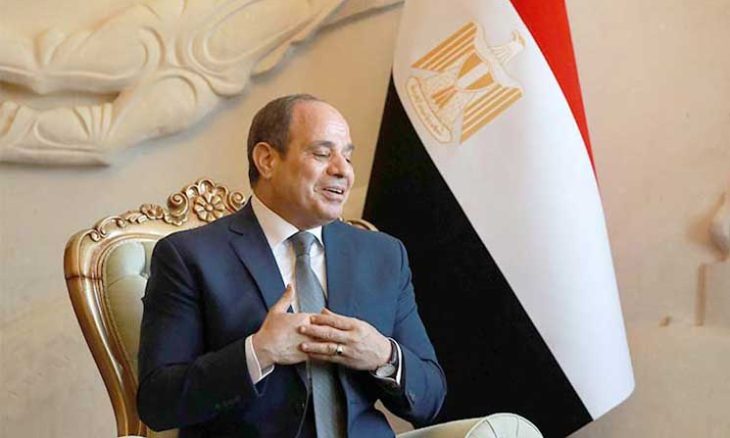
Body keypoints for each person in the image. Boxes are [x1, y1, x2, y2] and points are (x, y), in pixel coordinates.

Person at [137, 94, 447, 437]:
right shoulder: (189, 256)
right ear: (267, 160)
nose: (343, 170)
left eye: (347, 156)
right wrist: (257, 353)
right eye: (322, 153)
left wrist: (383, 355)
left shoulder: (383, 255)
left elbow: (431, 397)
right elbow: (158, 403)